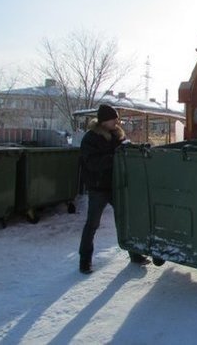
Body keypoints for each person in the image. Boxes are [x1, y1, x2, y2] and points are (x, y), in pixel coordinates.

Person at [78, 104, 150, 274]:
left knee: (126, 221)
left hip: (116, 185)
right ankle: (85, 261)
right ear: (104, 120)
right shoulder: (91, 138)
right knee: (92, 224)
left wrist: (138, 149)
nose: (116, 122)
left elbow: (125, 150)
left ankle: (135, 254)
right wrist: (115, 157)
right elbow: (92, 163)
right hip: (98, 188)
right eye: (113, 119)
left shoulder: (116, 134)